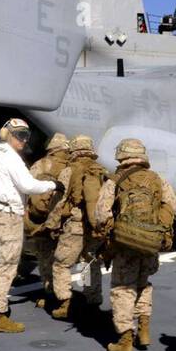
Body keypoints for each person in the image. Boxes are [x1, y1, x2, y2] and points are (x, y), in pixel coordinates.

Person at [93, 138, 176, 351]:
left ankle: (124, 341)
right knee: (143, 284)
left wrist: (109, 232)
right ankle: (143, 329)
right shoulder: (157, 179)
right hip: (151, 243)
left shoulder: (115, 181)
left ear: (121, 156)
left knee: (123, 288)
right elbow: (175, 206)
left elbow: (101, 214)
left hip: (125, 244)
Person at [0, 119, 57, 332]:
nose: (24, 140)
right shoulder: (11, 158)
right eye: (19, 134)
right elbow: (28, 185)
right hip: (7, 217)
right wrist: (53, 185)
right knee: (6, 267)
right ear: (6, 134)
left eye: (26, 135)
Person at [46, 135, 108, 321]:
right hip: (95, 227)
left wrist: (51, 224)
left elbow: (59, 202)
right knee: (89, 264)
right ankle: (92, 300)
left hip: (75, 226)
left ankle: (65, 303)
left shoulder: (68, 171)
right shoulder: (101, 171)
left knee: (61, 263)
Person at [22, 133, 72, 308]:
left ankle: (50, 292)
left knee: (45, 258)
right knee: (62, 261)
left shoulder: (41, 164)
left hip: (42, 220)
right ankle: (64, 295)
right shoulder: (72, 166)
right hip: (66, 220)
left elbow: (25, 188)